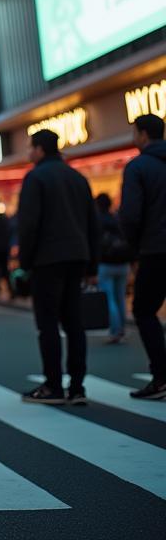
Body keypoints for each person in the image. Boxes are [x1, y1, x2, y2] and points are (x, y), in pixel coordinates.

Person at [17, 128, 99, 405]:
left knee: (48, 323)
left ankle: (53, 384)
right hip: (77, 256)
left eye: (31, 148)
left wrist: (24, 263)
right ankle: (77, 386)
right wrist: (92, 265)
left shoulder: (36, 177)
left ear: (39, 149)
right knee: (75, 323)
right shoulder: (77, 178)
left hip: (47, 259)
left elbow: (29, 225)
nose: (29, 153)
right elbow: (92, 224)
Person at [119, 113, 166, 400]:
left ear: (143, 135)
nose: (132, 138)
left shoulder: (139, 167)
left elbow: (131, 215)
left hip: (155, 249)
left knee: (144, 310)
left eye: (134, 132)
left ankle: (161, 377)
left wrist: (133, 249)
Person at [94, 193, 131, 345]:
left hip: (106, 263)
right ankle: (122, 328)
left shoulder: (98, 221)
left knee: (109, 298)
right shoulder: (117, 219)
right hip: (123, 262)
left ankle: (115, 330)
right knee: (120, 297)